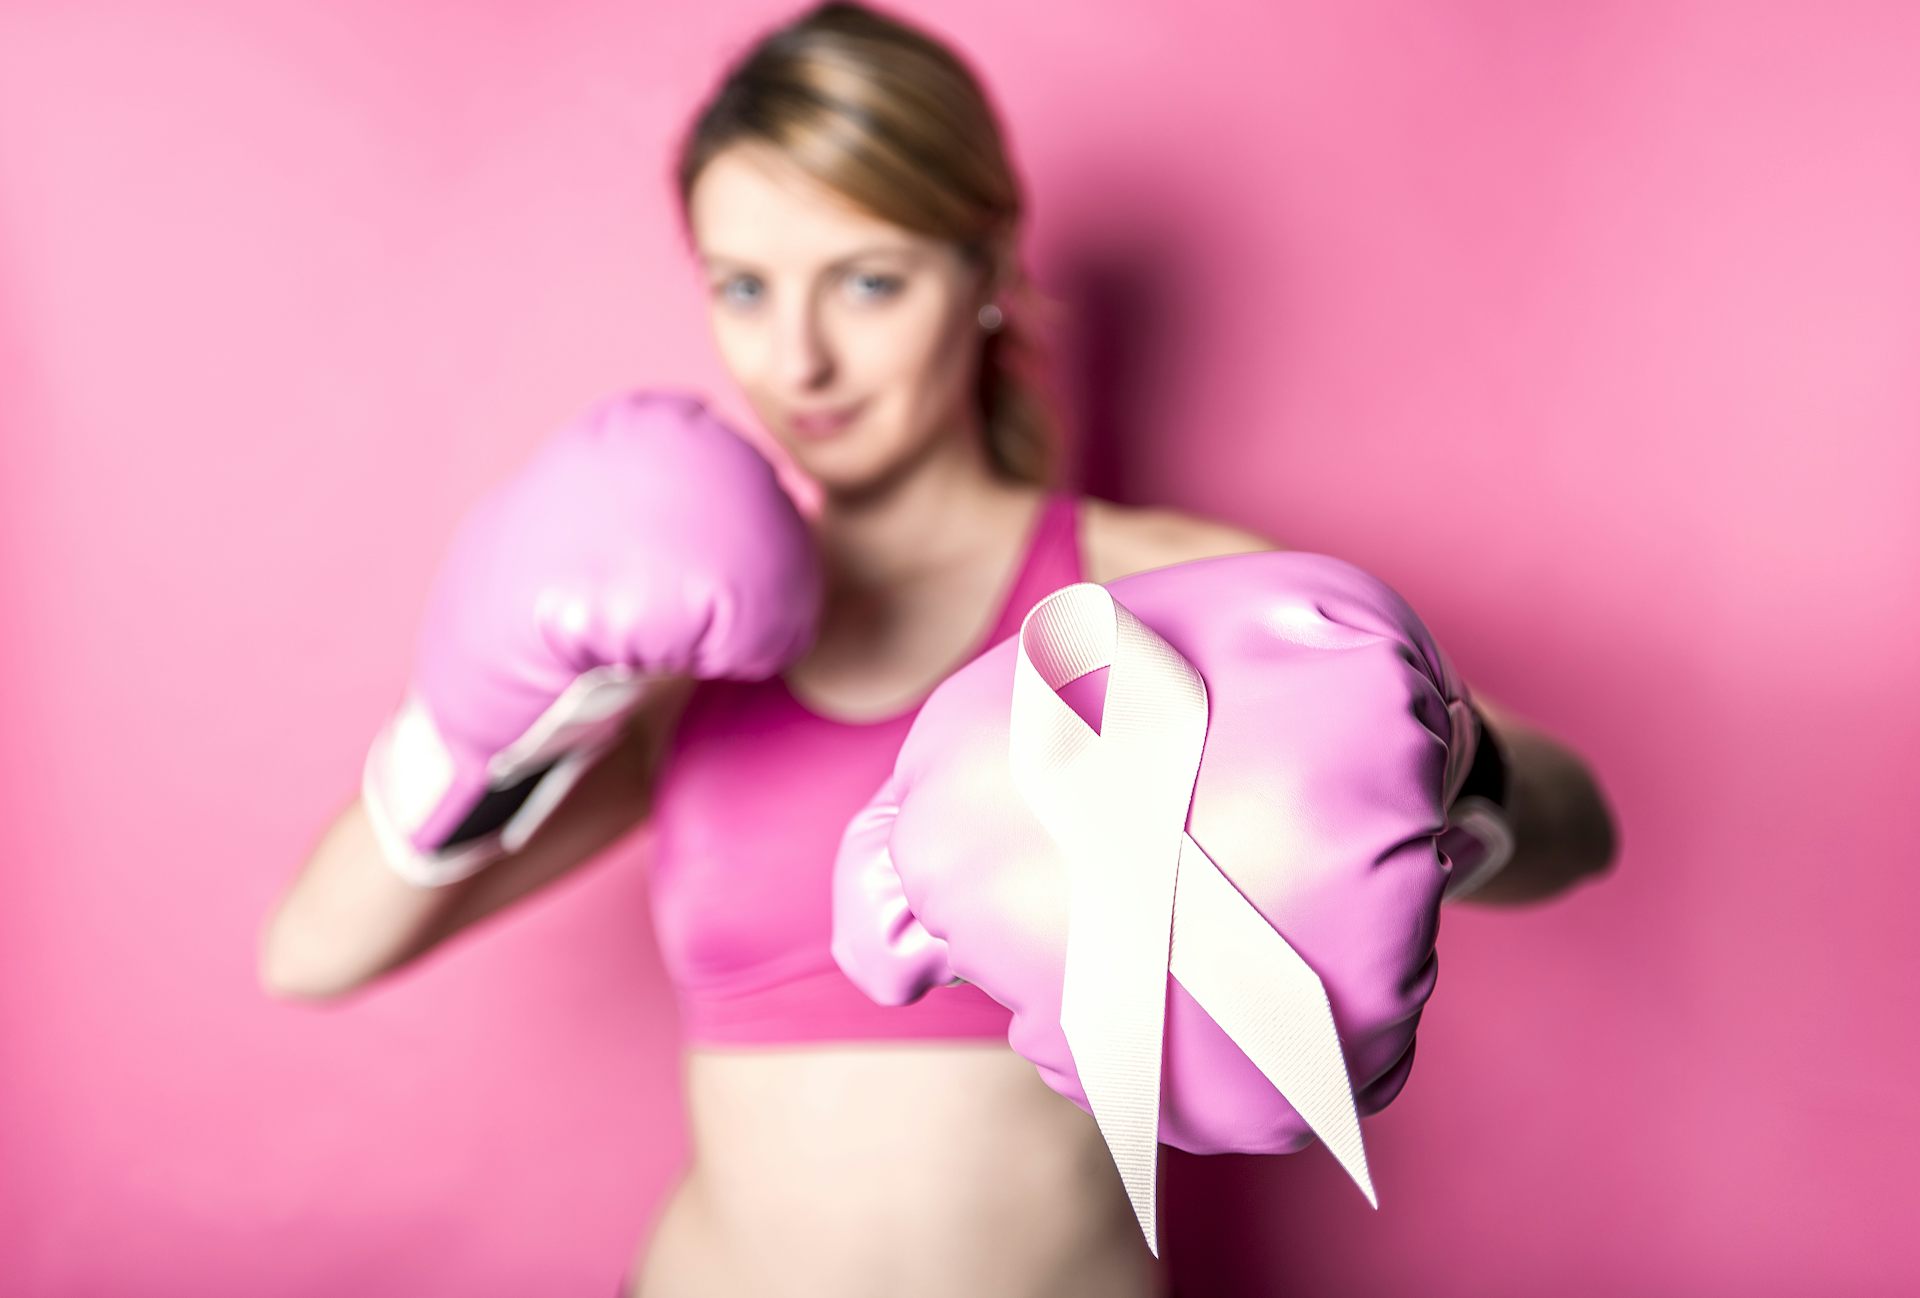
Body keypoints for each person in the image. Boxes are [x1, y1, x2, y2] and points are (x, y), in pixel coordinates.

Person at [257, 4, 1618, 1296]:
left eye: (867, 280)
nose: (799, 359)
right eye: (744, 286)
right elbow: (313, 952)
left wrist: (1440, 752)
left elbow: (1577, 827)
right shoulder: (679, 652)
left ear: (983, 271)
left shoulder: (1146, 598)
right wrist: (472, 721)